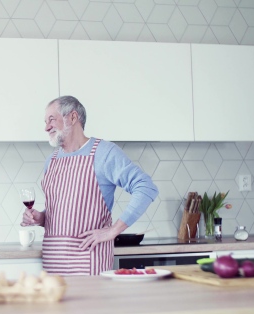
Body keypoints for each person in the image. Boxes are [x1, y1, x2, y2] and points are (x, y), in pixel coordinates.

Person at [21, 96, 159, 275]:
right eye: (45, 122)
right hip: (53, 261)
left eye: (51, 120)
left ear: (72, 117)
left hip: (89, 261)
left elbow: (146, 187)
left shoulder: (104, 153)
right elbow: (63, 210)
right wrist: (41, 218)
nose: (46, 127)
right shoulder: (51, 161)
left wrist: (113, 231)